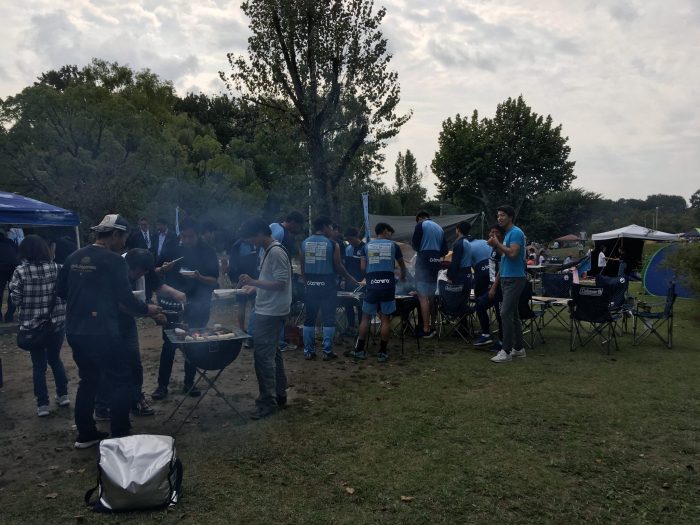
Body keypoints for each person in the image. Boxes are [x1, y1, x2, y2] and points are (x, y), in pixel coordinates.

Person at [55, 214, 161, 448]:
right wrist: (148, 309)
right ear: (114, 234)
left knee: (88, 380)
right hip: (103, 331)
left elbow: (60, 291)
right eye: (123, 238)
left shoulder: (74, 256)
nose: (123, 244)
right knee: (121, 380)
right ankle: (120, 434)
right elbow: (125, 298)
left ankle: (86, 435)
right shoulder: (114, 261)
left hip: (75, 330)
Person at [152, 217, 219, 400]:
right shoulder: (173, 248)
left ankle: (189, 383)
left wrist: (198, 277)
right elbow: (154, 272)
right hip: (173, 305)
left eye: (190, 237)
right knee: (169, 345)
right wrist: (163, 269)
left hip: (198, 304)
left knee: (193, 345)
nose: (186, 240)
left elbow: (214, 280)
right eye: (184, 236)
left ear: (198, 235)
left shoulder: (207, 252)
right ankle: (162, 386)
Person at [237, 218, 292, 419]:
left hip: (271, 312)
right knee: (273, 354)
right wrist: (253, 287)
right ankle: (279, 394)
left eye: (251, 238)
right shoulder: (267, 250)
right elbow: (270, 280)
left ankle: (268, 402)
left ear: (260, 233)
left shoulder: (276, 252)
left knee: (263, 358)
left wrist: (253, 281)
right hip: (268, 309)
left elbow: (280, 283)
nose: (251, 243)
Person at [9, 235, 69, 417]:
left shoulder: (20, 272)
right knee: (55, 359)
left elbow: (15, 299)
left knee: (38, 365)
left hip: (33, 327)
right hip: (56, 324)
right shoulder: (58, 268)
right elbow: (65, 294)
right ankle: (63, 395)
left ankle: (43, 404)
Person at [301, 216, 359, 361]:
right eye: (331, 227)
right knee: (329, 318)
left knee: (309, 318)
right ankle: (327, 351)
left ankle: (308, 351)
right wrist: (349, 277)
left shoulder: (304, 243)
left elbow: (302, 267)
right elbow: (338, 266)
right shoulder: (333, 244)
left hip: (311, 284)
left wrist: (308, 282)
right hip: (327, 284)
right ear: (325, 227)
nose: (333, 230)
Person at [351, 222, 406, 363]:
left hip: (372, 285)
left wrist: (369, 278)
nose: (391, 235)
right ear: (385, 231)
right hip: (388, 285)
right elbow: (402, 265)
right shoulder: (394, 246)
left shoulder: (366, 246)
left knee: (365, 317)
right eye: (390, 233)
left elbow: (362, 268)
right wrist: (403, 277)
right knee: (385, 319)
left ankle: (359, 350)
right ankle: (382, 352)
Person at [488, 205, 527, 363]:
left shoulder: (516, 232)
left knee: (505, 313)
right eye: (498, 215)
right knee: (513, 314)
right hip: (506, 277)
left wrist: (497, 243)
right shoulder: (508, 233)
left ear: (510, 217)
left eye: (503, 215)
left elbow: (513, 253)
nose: (499, 218)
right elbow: (505, 255)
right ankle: (519, 348)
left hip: (514, 278)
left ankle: (506, 351)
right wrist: (495, 245)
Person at [411, 210, 448, 338]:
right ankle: (433, 326)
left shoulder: (421, 225)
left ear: (420, 218)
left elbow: (415, 246)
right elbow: (445, 250)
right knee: (432, 297)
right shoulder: (440, 228)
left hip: (424, 260)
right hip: (436, 261)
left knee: (422, 297)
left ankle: (425, 330)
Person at [473, 224, 505, 350]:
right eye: (491, 232)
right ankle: (486, 334)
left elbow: (502, 269)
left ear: (501, 235)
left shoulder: (501, 248)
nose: (492, 234)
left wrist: (493, 287)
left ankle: (502, 343)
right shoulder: (493, 248)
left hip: (500, 286)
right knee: (480, 305)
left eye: (496, 232)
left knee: (500, 314)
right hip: (493, 285)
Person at [228, 237, 260, 333]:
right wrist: (234, 281)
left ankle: (256, 328)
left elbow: (256, 260)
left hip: (253, 277)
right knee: (242, 304)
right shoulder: (237, 245)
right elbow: (232, 264)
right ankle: (242, 329)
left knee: (255, 303)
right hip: (241, 278)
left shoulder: (253, 243)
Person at [342, 227, 365, 336]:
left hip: (361, 281)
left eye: (351, 239)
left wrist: (365, 280)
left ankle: (361, 329)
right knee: (348, 303)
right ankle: (351, 326)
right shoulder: (348, 249)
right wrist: (344, 278)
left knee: (360, 305)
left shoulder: (365, 248)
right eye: (348, 240)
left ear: (357, 237)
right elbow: (345, 265)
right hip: (349, 280)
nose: (350, 241)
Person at [0, 231, 19, 322]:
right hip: (14, 267)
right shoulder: (10, 242)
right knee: (13, 292)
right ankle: (9, 316)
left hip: (1, 267)